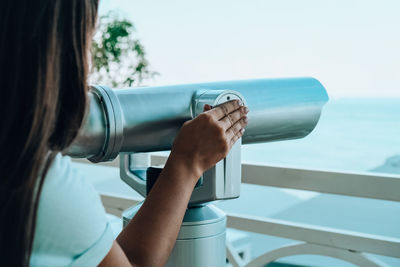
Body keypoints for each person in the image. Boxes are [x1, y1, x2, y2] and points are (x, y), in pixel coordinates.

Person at [0, 1, 249, 266]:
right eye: (88, 38)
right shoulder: (37, 186)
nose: (90, 60)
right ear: (56, 52)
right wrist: (187, 163)